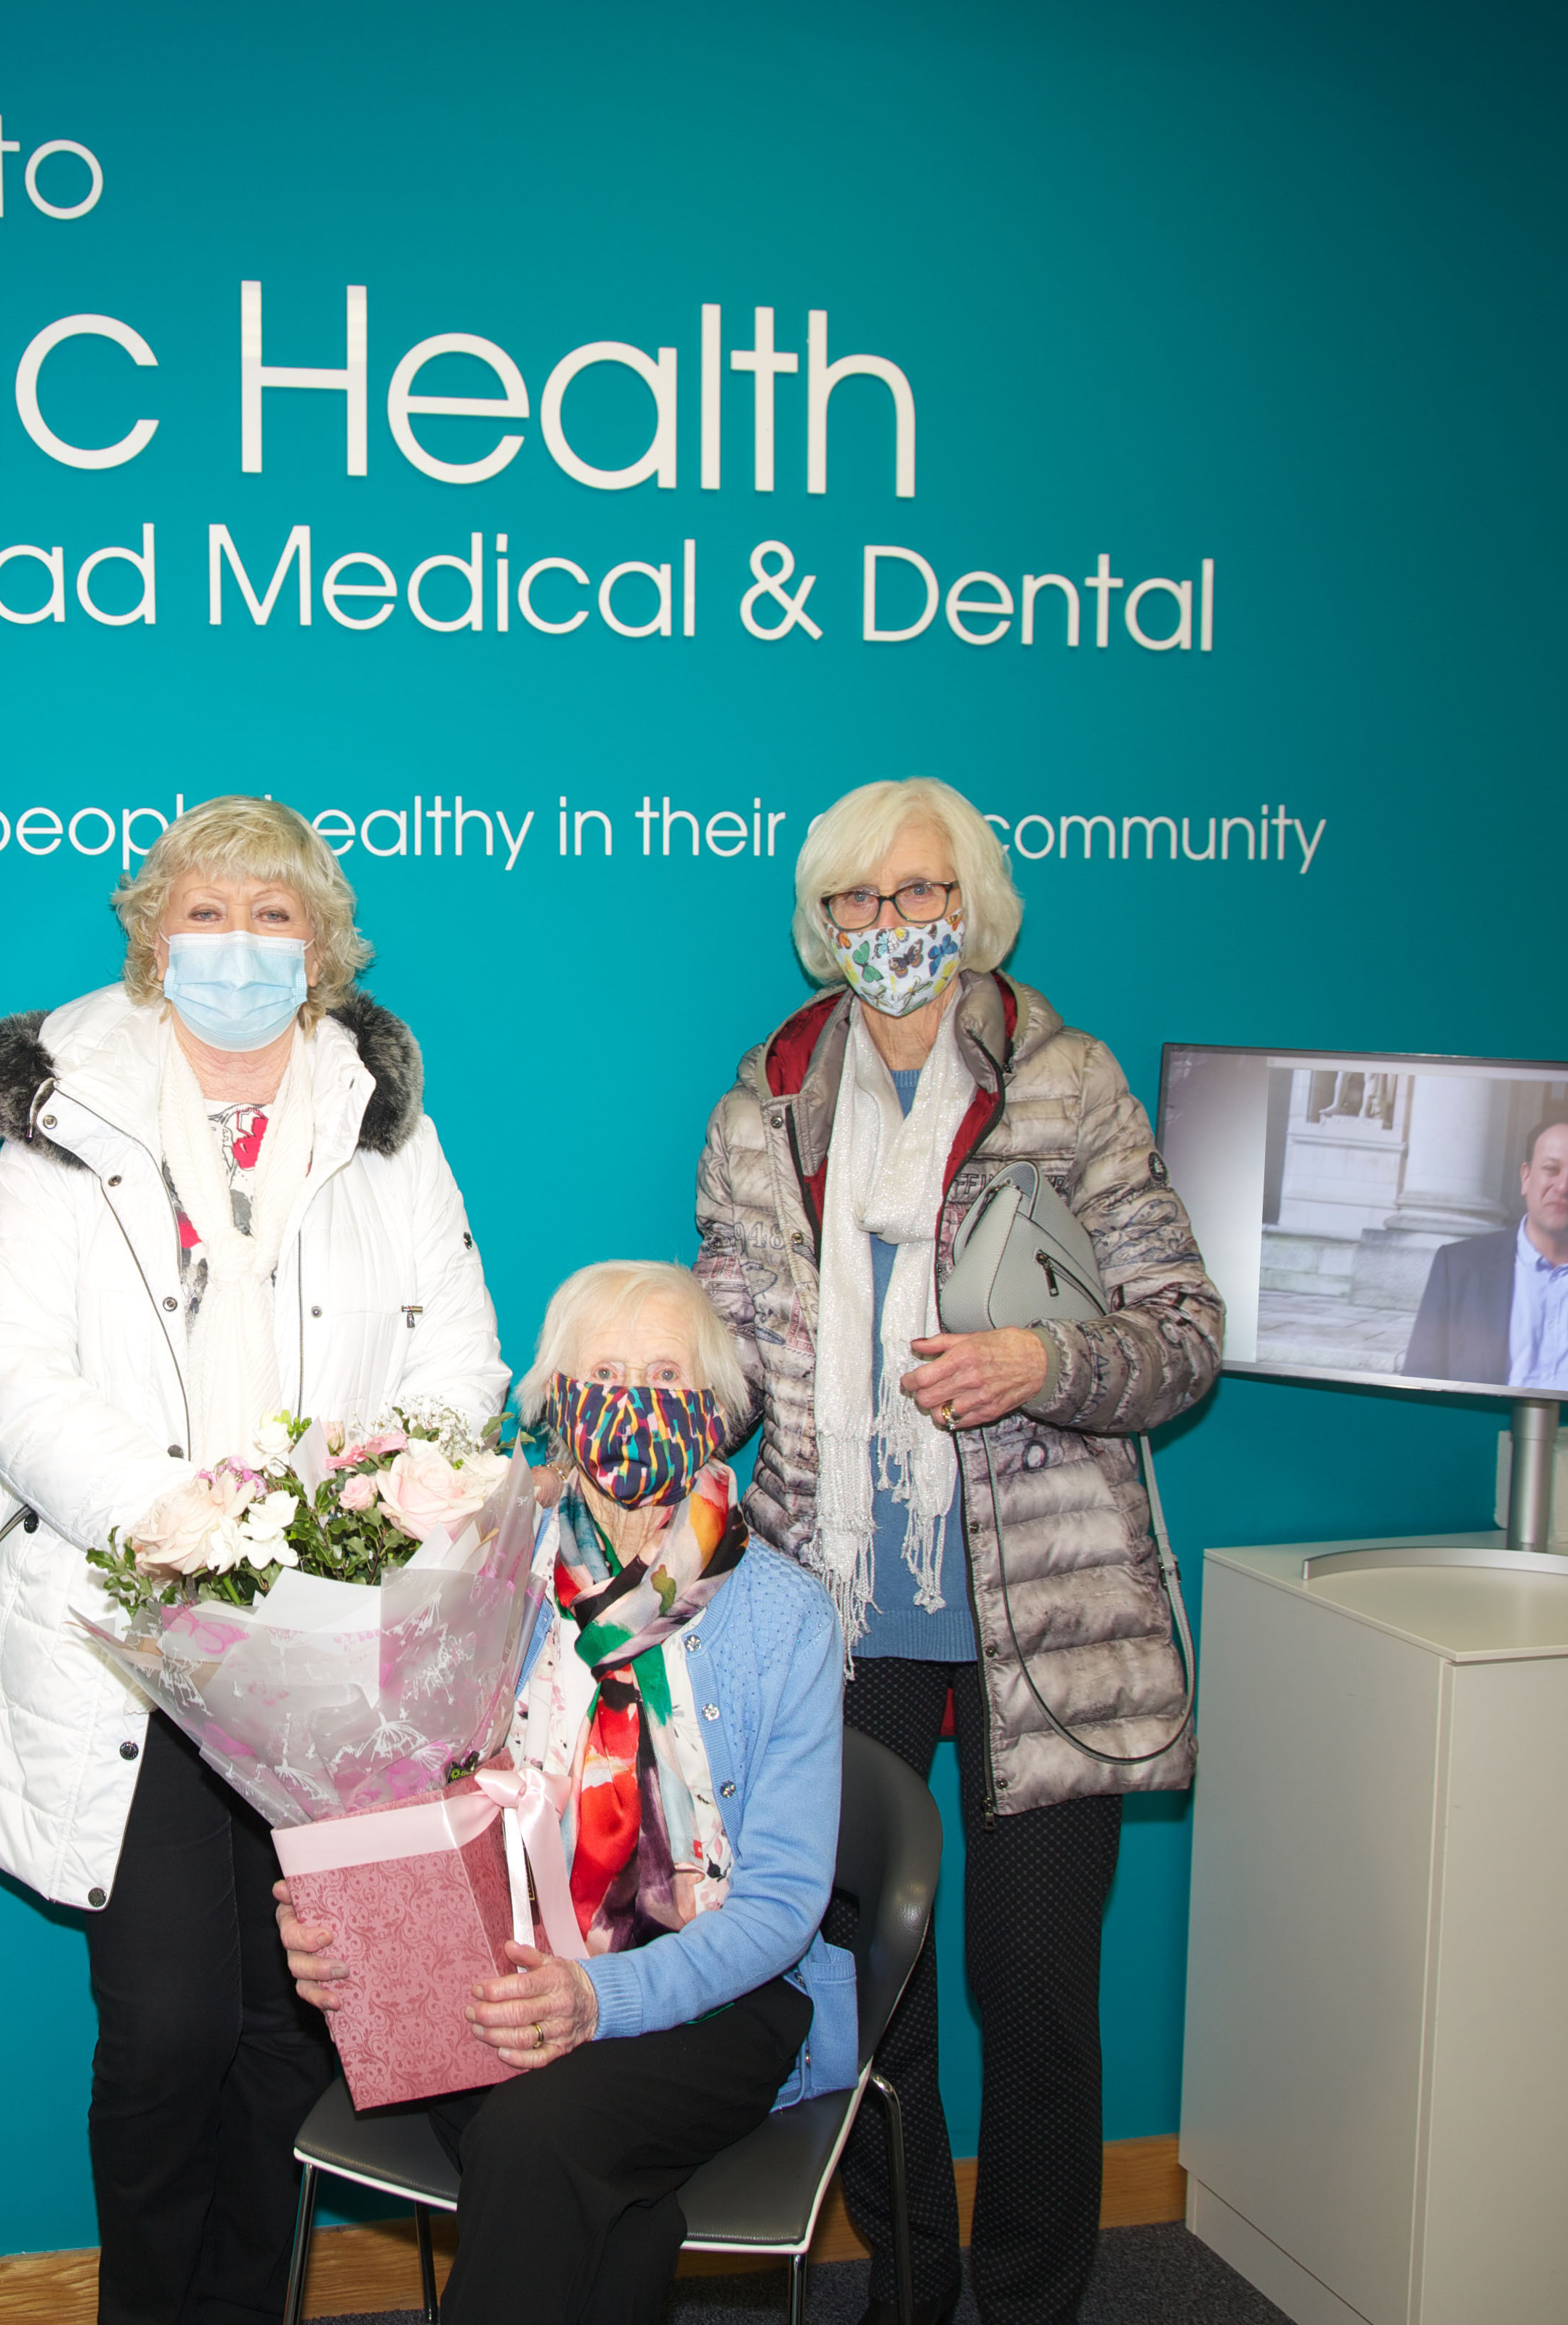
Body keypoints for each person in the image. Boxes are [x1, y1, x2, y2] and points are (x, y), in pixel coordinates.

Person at [0, 795, 507, 2325]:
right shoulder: (67, 1118)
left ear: (322, 950)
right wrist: (170, 1513)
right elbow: (7, 1361)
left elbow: (458, 1347)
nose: (238, 947)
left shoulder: (385, 1119)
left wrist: (361, 1502)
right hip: (139, 1627)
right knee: (168, 2025)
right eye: (206, 915)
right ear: (154, 939)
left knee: (295, 2026)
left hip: (327, 1638)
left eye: (273, 917)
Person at [692, 777, 1221, 2325]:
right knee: (861, 1989)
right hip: (832, 1615)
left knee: (1037, 1993)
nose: (893, 927)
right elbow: (726, 1347)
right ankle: (910, 2291)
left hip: (1042, 1623)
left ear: (973, 907)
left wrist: (1041, 1367)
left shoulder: (1071, 1083)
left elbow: (1185, 1338)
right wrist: (640, 1402)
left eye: (922, 894)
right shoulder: (764, 1105)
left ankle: (1035, 2297)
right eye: (860, 900)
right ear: (823, 924)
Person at [272, 1260, 855, 2325]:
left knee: (536, 2138)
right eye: (608, 1372)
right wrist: (342, 1912)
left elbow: (783, 1908)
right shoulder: (490, 1580)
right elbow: (405, 1801)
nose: (638, 1397)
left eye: (668, 1371)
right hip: (506, 1971)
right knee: (590, 2184)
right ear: (557, 1407)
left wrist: (602, 1999)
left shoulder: (787, 1618)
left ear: (717, 1413)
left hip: (718, 1996)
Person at [1402, 1115, 1568, 1400]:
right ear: (1526, 1177)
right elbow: (1420, 1386)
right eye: (1551, 1169)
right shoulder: (1458, 1268)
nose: (1564, 1187)